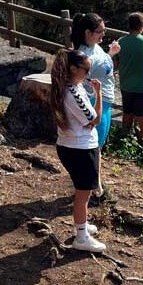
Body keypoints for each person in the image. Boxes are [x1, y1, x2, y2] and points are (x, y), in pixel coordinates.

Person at [47, 49, 105, 253]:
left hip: (72, 146)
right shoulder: (72, 93)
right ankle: (81, 237)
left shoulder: (68, 87)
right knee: (83, 195)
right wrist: (99, 94)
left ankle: (82, 224)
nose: (88, 74)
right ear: (73, 69)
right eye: (86, 69)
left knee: (83, 193)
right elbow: (95, 120)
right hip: (80, 149)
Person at [71, 13, 119, 153]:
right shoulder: (84, 56)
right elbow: (79, 79)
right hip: (95, 102)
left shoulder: (95, 47)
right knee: (94, 146)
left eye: (104, 30)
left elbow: (101, 67)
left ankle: (95, 166)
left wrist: (110, 54)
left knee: (100, 144)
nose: (103, 33)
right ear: (88, 33)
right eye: (100, 31)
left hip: (106, 102)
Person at [116, 11, 143, 142]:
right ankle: (141, 142)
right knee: (141, 117)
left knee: (127, 113)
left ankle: (124, 138)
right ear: (142, 26)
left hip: (126, 84)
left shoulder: (121, 42)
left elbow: (116, 62)